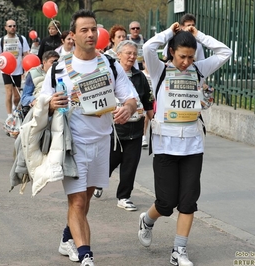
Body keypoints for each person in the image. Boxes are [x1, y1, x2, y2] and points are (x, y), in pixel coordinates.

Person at [40, 9, 138, 266]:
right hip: (73, 144)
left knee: (86, 198)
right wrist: (51, 103)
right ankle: (86, 255)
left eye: (93, 29)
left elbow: (130, 97)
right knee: (78, 200)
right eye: (84, 30)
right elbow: (42, 100)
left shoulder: (110, 64)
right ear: (72, 36)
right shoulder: (59, 68)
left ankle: (67, 237)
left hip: (102, 141)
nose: (91, 34)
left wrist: (127, 109)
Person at [138, 22, 232, 266]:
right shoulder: (159, 69)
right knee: (166, 203)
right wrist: (171, 32)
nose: (186, 62)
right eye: (182, 56)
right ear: (172, 52)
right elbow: (148, 46)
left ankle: (179, 251)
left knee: (188, 201)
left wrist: (198, 35)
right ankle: (147, 220)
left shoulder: (199, 70)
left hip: (192, 146)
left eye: (191, 57)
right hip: (165, 145)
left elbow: (225, 52)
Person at [93, 40, 154, 209]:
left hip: (136, 127)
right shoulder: (110, 73)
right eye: (128, 53)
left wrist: (153, 121)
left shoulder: (139, 76)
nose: (132, 57)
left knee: (130, 164)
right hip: (115, 128)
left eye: (134, 54)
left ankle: (124, 197)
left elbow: (147, 100)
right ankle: (98, 182)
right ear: (118, 55)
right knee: (111, 162)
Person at [0, 19, 30, 118]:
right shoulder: (1, 41)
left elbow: (26, 55)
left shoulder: (21, 39)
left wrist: (27, 70)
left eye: (14, 26)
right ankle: (9, 116)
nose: (12, 27)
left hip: (18, 70)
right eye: (10, 26)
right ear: (5, 28)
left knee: (17, 96)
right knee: (8, 93)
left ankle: (14, 107)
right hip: (6, 71)